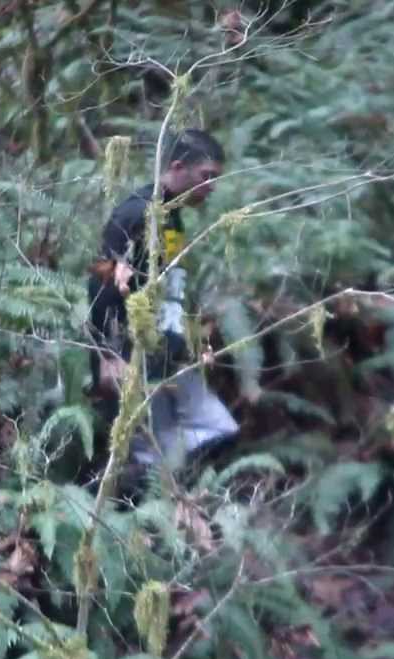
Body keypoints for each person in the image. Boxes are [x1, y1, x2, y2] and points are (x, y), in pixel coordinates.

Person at [87, 129, 239, 473]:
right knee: (150, 457)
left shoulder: (171, 213)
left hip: (167, 356)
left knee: (219, 429)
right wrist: (106, 356)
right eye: (207, 176)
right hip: (131, 355)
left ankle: (171, 488)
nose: (212, 186)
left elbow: (170, 287)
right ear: (177, 166)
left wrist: (192, 340)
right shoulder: (135, 213)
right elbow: (100, 277)